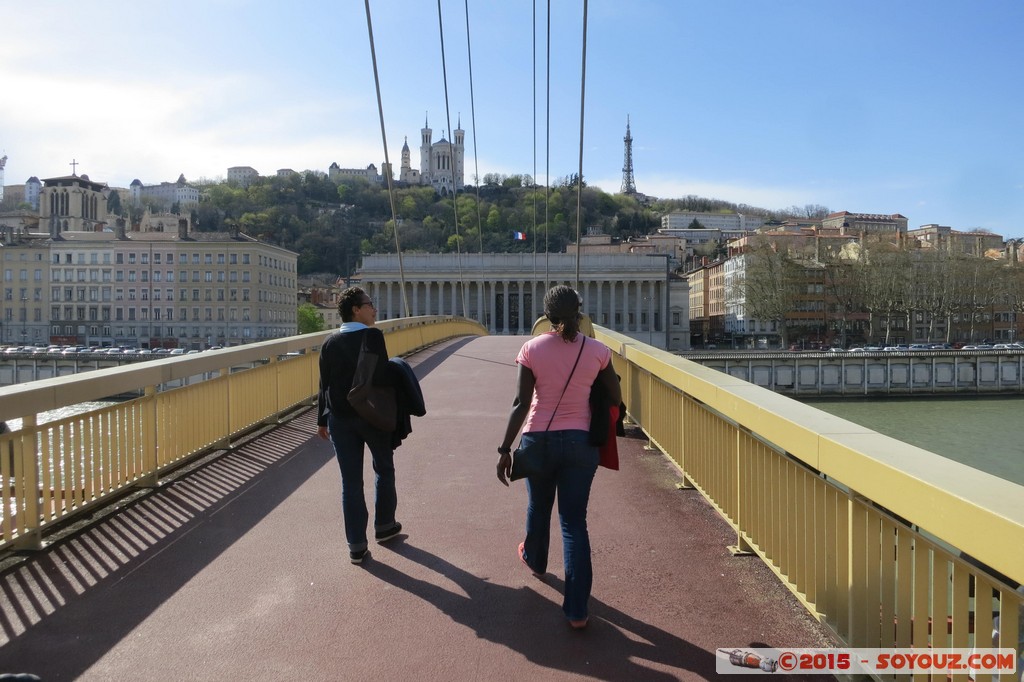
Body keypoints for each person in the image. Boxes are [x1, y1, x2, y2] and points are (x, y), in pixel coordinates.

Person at [496, 285, 622, 629]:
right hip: (581, 443)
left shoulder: (531, 348)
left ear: (547, 317)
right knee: (573, 522)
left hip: (539, 439)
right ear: (579, 313)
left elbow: (520, 403)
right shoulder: (598, 350)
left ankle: (536, 560)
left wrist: (505, 449)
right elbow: (614, 394)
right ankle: (577, 611)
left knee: (538, 506)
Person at [317, 286, 403, 564]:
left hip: (340, 421)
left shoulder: (329, 343)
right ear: (356, 309)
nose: (374, 309)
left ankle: (356, 544)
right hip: (372, 416)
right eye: (369, 304)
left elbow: (324, 385)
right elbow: (381, 375)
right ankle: (384, 526)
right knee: (384, 468)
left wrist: (322, 421)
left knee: (350, 482)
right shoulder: (373, 336)